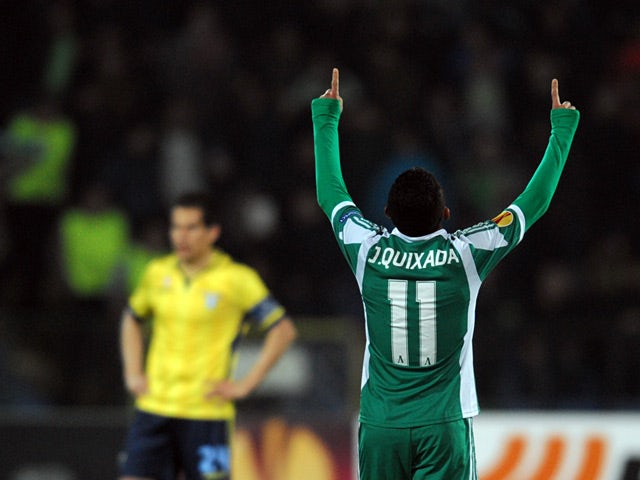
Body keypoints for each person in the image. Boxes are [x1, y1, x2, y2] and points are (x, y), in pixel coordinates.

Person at [312, 68, 579, 479]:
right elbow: (533, 203)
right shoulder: (466, 254)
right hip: (445, 426)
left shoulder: (367, 249)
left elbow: (330, 192)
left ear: (387, 215)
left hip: (382, 426)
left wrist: (326, 117)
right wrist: (562, 130)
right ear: (447, 215)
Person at [118, 191, 297, 480]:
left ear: (212, 232)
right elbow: (131, 318)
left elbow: (283, 329)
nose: (181, 236)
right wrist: (132, 372)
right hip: (155, 406)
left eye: (191, 227)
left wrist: (246, 384)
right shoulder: (157, 272)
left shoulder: (237, 279)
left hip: (206, 412)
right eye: (176, 227)